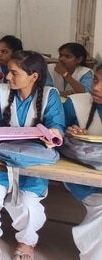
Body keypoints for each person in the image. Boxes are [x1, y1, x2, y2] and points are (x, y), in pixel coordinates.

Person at [0, 51, 65, 260]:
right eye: (7, 72)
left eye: (14, 73)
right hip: (0, 157)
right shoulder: (1, 92)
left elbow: (56, 126)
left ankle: (26, 240)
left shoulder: (50, 96)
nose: (7, 77)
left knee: (29, 203)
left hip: (32, 160)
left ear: (34, 76)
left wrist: (54, 135)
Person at [62, 64, 102, 260]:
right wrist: (73, 135)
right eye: (96, 80)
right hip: (85, 177)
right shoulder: (75, 104)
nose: (97, 87)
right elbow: (56, 136)